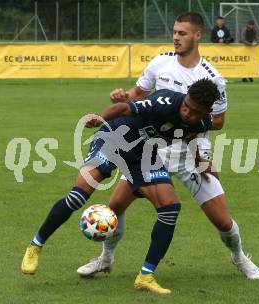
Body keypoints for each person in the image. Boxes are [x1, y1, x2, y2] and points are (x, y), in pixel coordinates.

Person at [77, 12, 259, 281]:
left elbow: (219, 121)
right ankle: (105, 259)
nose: (176, 37)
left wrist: (191, 134)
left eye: (182, 33)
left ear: (198, 35)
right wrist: (121, 96)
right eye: (175, 32)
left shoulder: (212, 78)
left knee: (222, 221)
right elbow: (137, 95)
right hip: (151, 151)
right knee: (115, 207)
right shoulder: (160, 63)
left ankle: (239, 257)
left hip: (192, 153)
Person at [21, 79, 219, 295]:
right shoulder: (166, 101)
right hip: (114, 138)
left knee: (170, 208)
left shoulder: (202, 122)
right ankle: (36, 245)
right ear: (186, 96)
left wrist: (201, 162)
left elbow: (191, 136)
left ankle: (145, 276)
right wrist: (100, 118)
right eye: (186, 106)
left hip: (144, 154)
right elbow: (124, 107)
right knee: (78, 196)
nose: (187, 113)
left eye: (195, 111)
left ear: (206, 112)